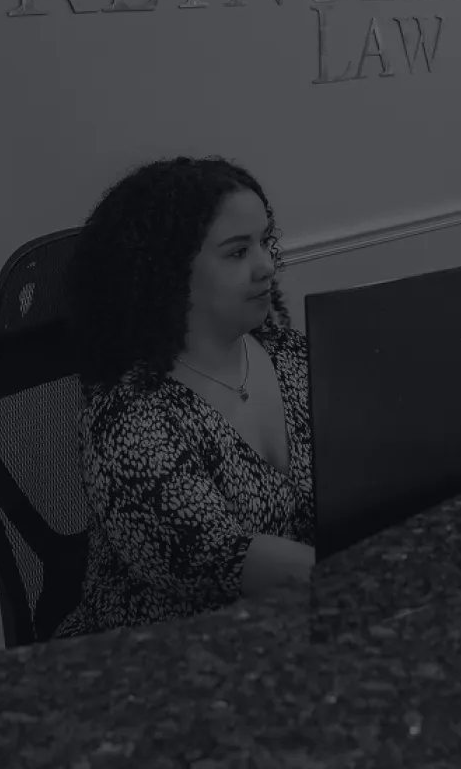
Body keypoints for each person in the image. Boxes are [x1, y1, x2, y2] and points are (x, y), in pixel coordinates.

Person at [54, 155, 316, 636]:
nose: (267, 266)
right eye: (238, 252)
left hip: (292, 631)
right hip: (164, 669)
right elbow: (229, 562)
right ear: (168, 274)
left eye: (266, 241)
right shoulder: (129, 423)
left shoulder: (293, 356)